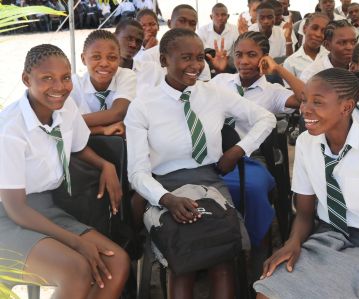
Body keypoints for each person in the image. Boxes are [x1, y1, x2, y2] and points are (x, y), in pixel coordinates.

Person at [125, 28, 276, 299]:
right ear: (163, 60)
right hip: (166, 185)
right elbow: (137, 172)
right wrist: (166, 198)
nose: (195, 66)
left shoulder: (213, 93)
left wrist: (238, 150)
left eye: (199, 57)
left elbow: (266, 118)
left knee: (222, 257)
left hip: (211, 182)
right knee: (184, 259)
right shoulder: (142, 106)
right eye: (186, 58)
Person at [253, 67, 359, 299]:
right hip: (328, 236)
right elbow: (305, 213)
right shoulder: (307, 143)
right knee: (268, 291)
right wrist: (293, 242)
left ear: (346, 107)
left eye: (317, 102)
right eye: (304, 100)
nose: (305, 109)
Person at [0, 44, 130, 298]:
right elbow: (15, 208)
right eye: (47, 78)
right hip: (8, 214)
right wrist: (75, 241)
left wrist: (105, 164)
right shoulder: (10, 130)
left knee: (116, 261)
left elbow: (78, 147)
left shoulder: (65, 108)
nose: (59, 87)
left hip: (43, 208)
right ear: (27, 79)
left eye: (66, 78)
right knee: (75, 270)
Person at [209, 31, 304, 247]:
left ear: (264, 57)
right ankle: (215, 242)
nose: (243, 61)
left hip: (251, 158)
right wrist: (217, 71)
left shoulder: (272, 91)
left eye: (252, 55)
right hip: (215, 155)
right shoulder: (221, 81)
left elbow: (307, 98)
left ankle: (255, 243)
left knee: (251, 189)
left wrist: (278, 69)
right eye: (239, 54)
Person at [71, 30, 136, 136]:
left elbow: (117, 113)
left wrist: (72, 122)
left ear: (119, 59)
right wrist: (102, 130)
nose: (104, 63)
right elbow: (63, 128)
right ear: (83, 59)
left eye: (112, 57)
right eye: (96, 57)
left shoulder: (126, 76)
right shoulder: (74, 84)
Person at [135, 4, 212, 81]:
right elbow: (145, 88)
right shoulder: (149, 56)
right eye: (182, 21)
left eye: (192, 24)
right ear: (169, 23)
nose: (187, 27)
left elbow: (205, 89)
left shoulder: (200, 61)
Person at [283, 12, 330, 79]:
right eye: (314, 28)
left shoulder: (330, 56)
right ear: (304, 29)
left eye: (323, 31)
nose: (318, 34)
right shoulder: (291, 62)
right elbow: (289, 88)